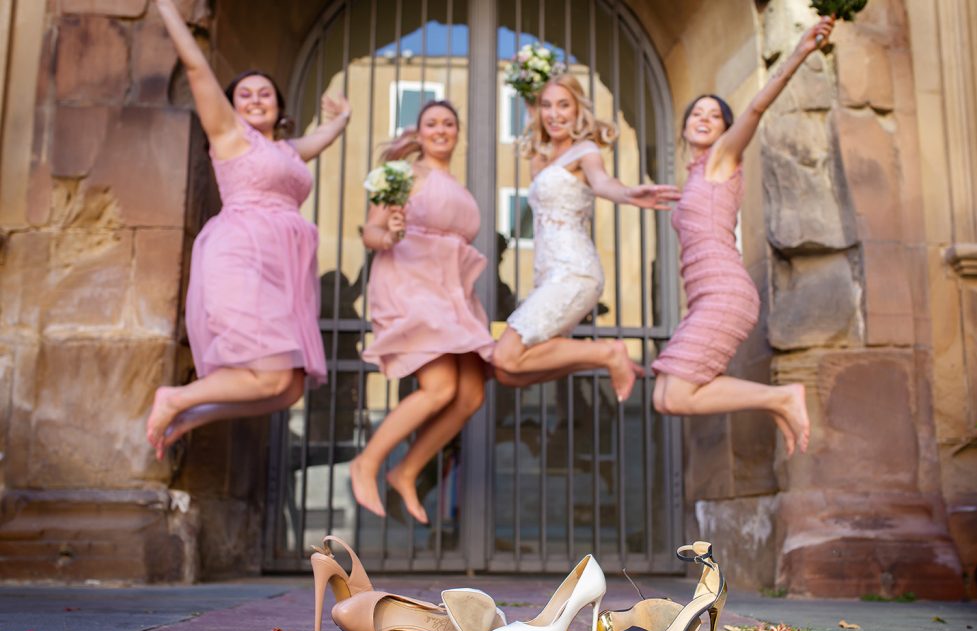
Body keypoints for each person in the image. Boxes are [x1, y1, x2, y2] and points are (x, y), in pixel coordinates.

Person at [145, 0, 351, 459]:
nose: (255, 99)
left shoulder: (287, 152)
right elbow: (198, 69)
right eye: (245, 94)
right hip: (240, 256)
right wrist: (166, 9)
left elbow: (320, 139)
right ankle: (176, 398)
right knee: (273, 376)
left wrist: (341, 118)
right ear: (233, 106)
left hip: (281, 271)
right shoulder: (229, 136)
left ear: (278, 106)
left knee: (289, 388)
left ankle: (189, 417)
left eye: (265, 93)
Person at [652, 16, 837, 456]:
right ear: (684, 126)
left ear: (724, 130)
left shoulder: (722, 159)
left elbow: (754, 108)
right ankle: (777, 399)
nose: (704, 118)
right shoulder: (698, 176)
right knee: (665, 397)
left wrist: (799, 53)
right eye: (697, 113)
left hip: (724, 293)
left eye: (715, 116)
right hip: (708, 295)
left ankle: (781, 397)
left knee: (676, 395)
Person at [349, 101, 494, 524]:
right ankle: (367, 462)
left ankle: (406, 471)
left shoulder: (458, 186)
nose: (441, 129)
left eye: (449, 122)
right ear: (419, 132)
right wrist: (391, 232)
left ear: (458, 132)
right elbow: (373, 233)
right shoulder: (403, 174)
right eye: (432, 123)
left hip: (452, 291)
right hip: (412, 282)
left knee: (471, 395)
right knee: (440, 387)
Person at [492, 74, 680, 401]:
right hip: (549, 275)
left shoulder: (585, 151)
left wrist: (628, 194)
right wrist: (530, 100)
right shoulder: (541, 159)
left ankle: (608, 353)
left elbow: (603, 183)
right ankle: (601, 357)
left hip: (574, 271)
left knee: (505, 355)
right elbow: (536, 137)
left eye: (564, 105)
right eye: (547, 106)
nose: (555, 114)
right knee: (508, 373)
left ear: (579, 110)